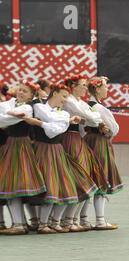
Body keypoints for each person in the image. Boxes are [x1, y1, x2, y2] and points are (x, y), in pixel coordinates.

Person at [24, 83, 99, 234]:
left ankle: (53, 221)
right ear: (54, 93)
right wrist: (57, 122)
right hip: (42, 149)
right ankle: (42, 223)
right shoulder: (40, 107)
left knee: (65, 185)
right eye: (63, 96)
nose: (65, 100)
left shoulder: (63, 114)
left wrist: (40, 123)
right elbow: (52, 124)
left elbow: (55, 130)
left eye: (66, 97)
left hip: (56, 149)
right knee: (48, 185)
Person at [61, 74, 110, 231]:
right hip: (70, 138)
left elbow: (91, 117)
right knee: (81, 179)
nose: (84, 88)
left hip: (77, 140)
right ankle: (67, 220)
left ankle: (73, 219)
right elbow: (91, 117)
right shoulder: (70, 101)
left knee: (85, 179)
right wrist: (97, 121)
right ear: (73, 86)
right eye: (82, 85)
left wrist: (95, 120)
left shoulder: (79, 102)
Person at [0, 80, 46, 235]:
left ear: (31, 96)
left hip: (20, 146)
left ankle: (20, 224)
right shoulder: (13, 105)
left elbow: (4, 120)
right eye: (19, 90)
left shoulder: (27, 108)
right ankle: (22, 222)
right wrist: (9, 111)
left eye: (25, 91)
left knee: (15, 182)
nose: (20, 93)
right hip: (12, 145)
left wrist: (8, 113)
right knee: (12, 183)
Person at [85, 76, 122, 230]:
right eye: (105, 86)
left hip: (88, 141)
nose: (107, 89)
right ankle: (100, 220)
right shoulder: (100, 108)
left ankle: (83, 219)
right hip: (100, 143)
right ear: (98, 89)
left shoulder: (86, 105)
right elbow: (114, 128)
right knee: (101, 177)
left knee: (89, 179)